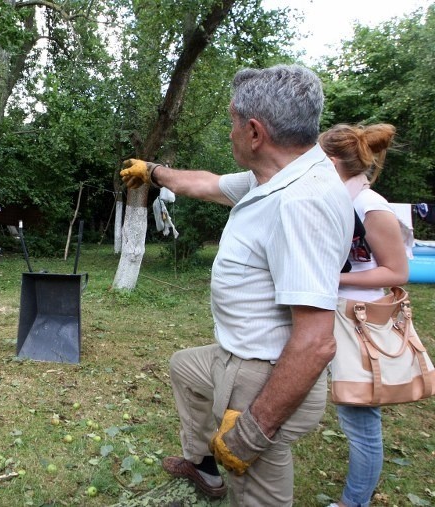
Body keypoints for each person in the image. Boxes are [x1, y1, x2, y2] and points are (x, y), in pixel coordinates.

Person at [120, 64, 354, 505]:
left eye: (231, 122)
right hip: (234, 357)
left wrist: (255, 428)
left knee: (257, 493)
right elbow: (207, 184)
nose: (229, 133)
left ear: (253, 132)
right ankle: (204, 467)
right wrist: (153, 172)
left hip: (261, 376)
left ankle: (229, 461)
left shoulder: (301, 203)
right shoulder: (276, 176)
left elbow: (316, 343)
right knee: (184, 368)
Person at [319, 123, 408, 507]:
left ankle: (354, 503)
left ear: (333, 160)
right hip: (328, 313)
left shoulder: (371, 207)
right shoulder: (334, 199)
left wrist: (331, 277)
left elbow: (397, 272)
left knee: (360, 423)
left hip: (361, 322)